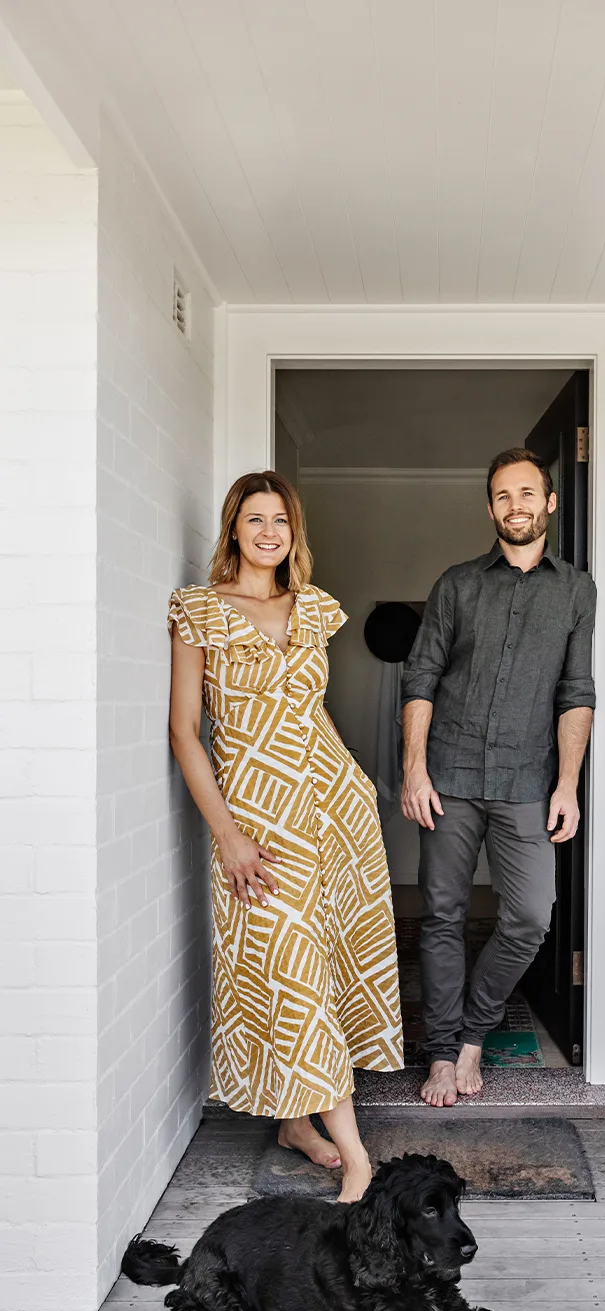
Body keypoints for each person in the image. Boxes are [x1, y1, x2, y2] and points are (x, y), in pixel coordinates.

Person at [167, 471, 403, 1200]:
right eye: (254, 518)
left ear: (293, 532)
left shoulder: (314, 609)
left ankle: (299, 1125)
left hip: (331, 807)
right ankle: (357, 1155)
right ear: (233, 528)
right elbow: (185, 733)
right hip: (256, 815)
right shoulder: (200, 611)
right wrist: (230, 838)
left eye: (280, 520)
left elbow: (312, 710)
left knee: (327, 962)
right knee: (292, 971)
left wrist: (355, 779)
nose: (269, 531)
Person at [400, 447, 596, 1107]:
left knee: (530, 920)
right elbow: (420, 675)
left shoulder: (576, 590)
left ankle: (474, 1036)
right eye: (503, 496)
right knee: (444, 917)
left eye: (526, 493)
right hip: (449, 775)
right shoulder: (456, 584)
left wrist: (567, 785)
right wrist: (414, 768)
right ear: (491, 508)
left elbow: (576, 690)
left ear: (550, 502)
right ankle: (442, 1053)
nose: (516, 505)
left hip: (526, 780)